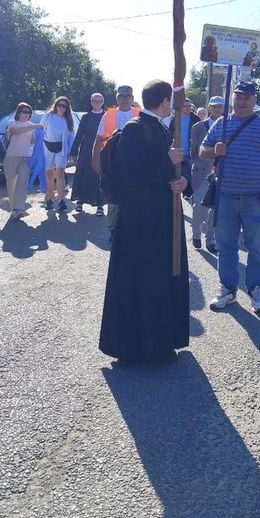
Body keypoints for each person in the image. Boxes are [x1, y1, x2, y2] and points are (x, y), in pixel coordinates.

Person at [99, 80, 192, 365]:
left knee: (160, 279)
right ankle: (138, 347)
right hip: (140, 223)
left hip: (162, 218)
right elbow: (126, 177)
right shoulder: (136, 129)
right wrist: (167, 162)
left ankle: (161, 340)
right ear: (165, 102)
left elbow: (173, 172)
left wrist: (183, 181)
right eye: (173, 102)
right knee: (141, 281)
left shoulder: (163, 129)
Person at [200, 81, 260, 314]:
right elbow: (202, 151)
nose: (242, 100)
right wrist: (214, 150)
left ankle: (257, 290)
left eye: (247, 97)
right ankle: (228, 289)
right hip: (225, 196)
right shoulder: (221, 124)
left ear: (254, 100)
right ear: (232, 98)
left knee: (256, 247)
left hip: (255, 198)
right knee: (226, 246)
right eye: (238, 96)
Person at [92, 85, 141, 233]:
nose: (124, 99)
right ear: (117, 99)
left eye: (127, 96)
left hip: (135, 162)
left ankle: (131, 228)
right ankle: (113, 229)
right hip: (112, 161)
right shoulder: (109, 114)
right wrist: (95, 160)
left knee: (134, 195)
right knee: (113, 195)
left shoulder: (140, 114)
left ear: (132, 99)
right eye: (121, 96)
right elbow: (98, 138)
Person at [189, 96, 224, 252]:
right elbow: (194, 150)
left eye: (219, 107)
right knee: (199, 207)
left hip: (219, 173)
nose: (217, 109)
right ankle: (196, 234)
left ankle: (210, 239)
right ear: (209, 108)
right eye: (214, 106)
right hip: (201, 172)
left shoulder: (227, 126)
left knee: (215, 209)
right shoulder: (198, 127)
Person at [4, 103, 43, 218]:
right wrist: (34, 127)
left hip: (25, 159)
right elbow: (17, 131)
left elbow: (33, 142)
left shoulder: (31, 125)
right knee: (11, 184)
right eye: (24, 111)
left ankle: (19, 208)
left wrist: (40, 136)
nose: (26, 114)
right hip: (10, 158)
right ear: (19, 112)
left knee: (22, 184)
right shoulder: (12, 123)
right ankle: (14, 209)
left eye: (28, 112)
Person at [70, 93, 106, 214]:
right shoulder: (86, 117)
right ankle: (80, 200)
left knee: (99, 176)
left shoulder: (107, 116)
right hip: (86, 148)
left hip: (101, 148)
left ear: (102, 102)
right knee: (82, 173)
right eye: (95, 101)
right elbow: (79, 134)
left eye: (99, 101)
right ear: (91, 103)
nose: (97, 103)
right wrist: (73, 152)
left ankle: (100, 205)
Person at [41, 97, 75, 212]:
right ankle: (49, 199)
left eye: (64, 106)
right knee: (49, 175)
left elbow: (71, 137)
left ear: (67, 108)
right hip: (47, 147)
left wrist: (71, 152)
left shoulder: (68, 120)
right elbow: (40, 130)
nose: (61, 107)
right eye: (59, 105)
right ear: (55, 105)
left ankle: (61, 200)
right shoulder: (48, 116)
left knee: (60, 174)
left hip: (61, 148)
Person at [162, 96, 200, 160]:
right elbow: (170, 134)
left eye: (189, 106)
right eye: (185, 106)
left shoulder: (195, 119)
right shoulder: (175, 119)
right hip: (178, 153)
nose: (188, 108)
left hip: (192, 154)